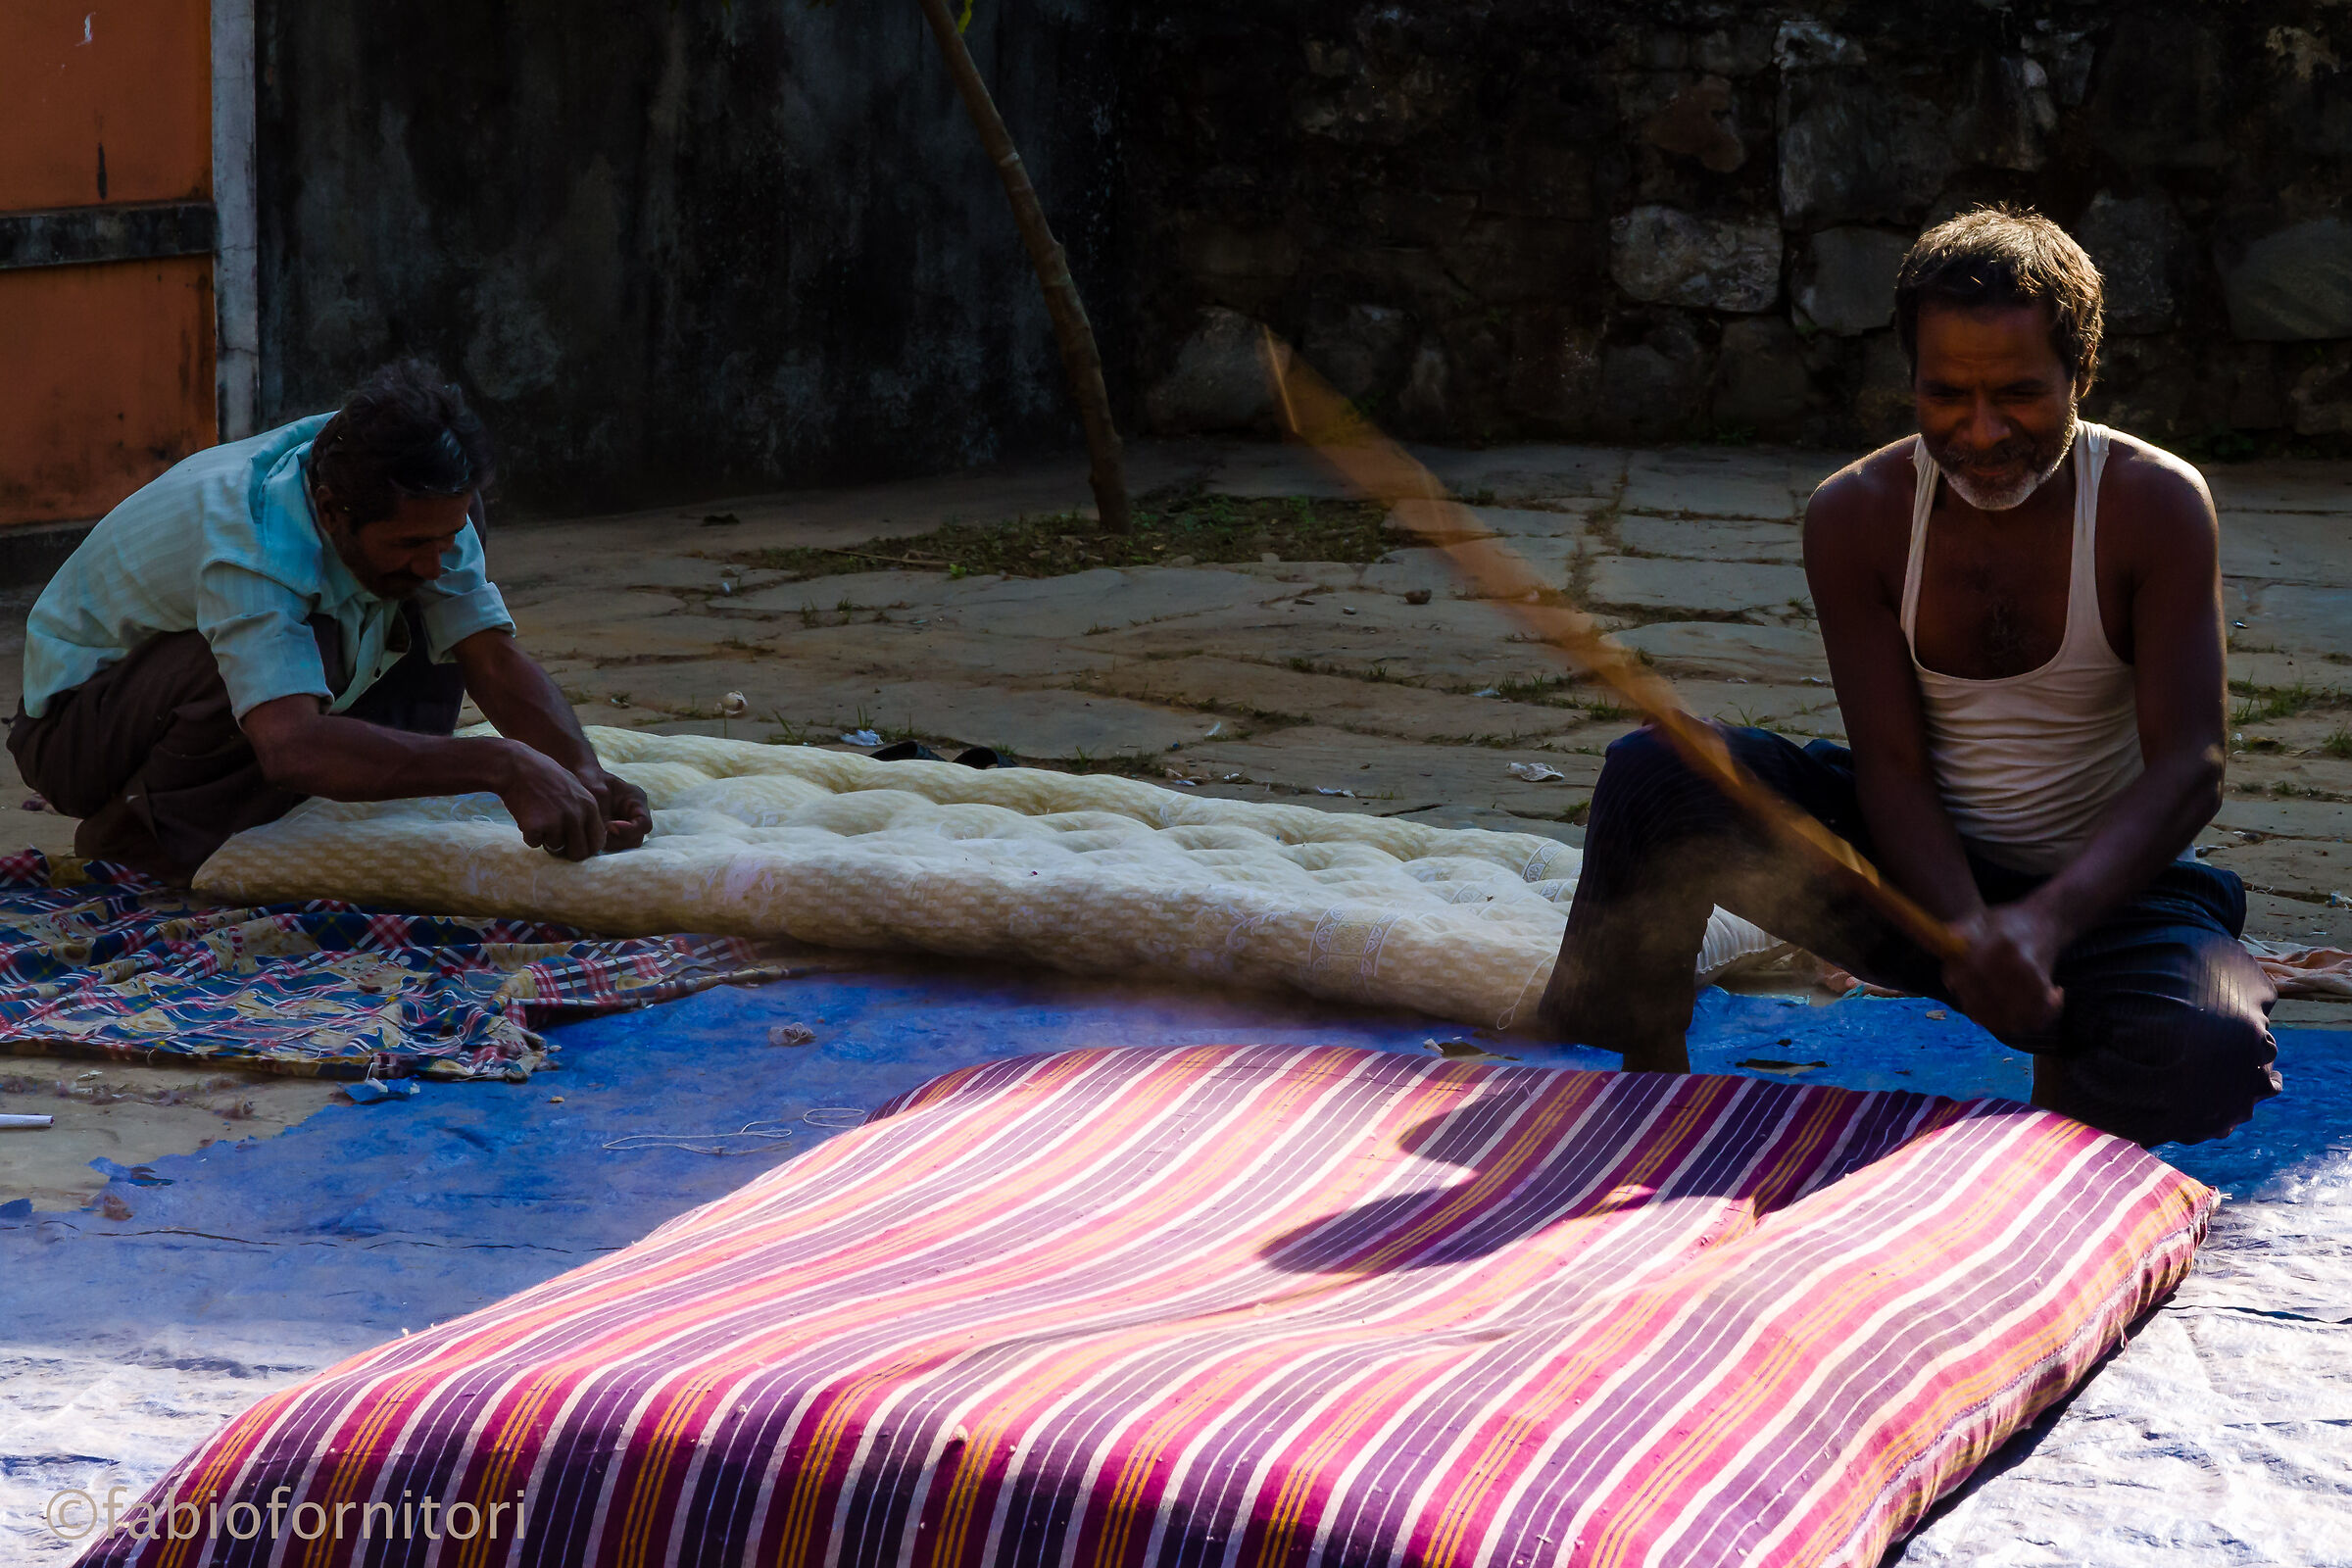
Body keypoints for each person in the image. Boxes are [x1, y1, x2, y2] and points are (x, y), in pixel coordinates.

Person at [1541, 207, 2278, 1148]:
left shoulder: (2156, 504)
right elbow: (1889, 767)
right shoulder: (1855, 516)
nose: (1981, 431)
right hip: (1914, 885)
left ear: (2080, 376)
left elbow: (2192, 767)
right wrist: (1969, 930)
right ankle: (1638, 1098)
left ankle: (2065, 1114)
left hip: (2106, 895)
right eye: (1946, 397)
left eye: (2018, 394)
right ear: (1911, 382)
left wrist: (2042, 926)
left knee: (2209, 1050)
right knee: (1659, 774)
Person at [10, 359, 651, 882]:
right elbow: (288, 744)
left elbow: (488, 655)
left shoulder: (421, 501)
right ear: (331, 510)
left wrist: (581, 774)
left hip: (203, 694)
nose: (433, 561)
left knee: (421, 613)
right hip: (76, 731)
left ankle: (286, 808)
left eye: (443, 537)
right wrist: (501, 764)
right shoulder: (250, 542)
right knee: (302, 657)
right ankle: (139, 832)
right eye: (407, 544)